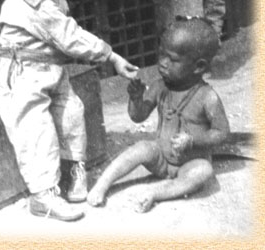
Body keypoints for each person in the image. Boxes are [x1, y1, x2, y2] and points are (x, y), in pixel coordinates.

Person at [0, 0, 138, 221]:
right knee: (37, 130)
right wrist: (110, 55)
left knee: (72, 111)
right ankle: (42, 195)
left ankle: (74, 168)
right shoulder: (37, 6)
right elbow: (71, 38)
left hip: (49, 68)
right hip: (23, 76)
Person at [87, 17, 230, 212]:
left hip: (189, 163)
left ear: (199, 67)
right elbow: (138, 117)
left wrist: (193, 140)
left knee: (203, 171)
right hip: (161, 159)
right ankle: (102, 184)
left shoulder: (207, 97)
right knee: (141, 148)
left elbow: (222, 132)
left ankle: (156, 193)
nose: (163, 63)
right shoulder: (159, 87)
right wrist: (136, 99)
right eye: (162, 54)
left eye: (173, 59)